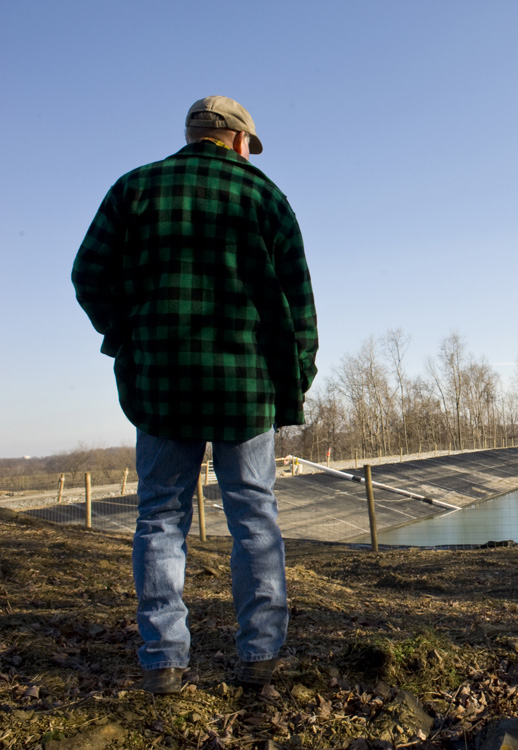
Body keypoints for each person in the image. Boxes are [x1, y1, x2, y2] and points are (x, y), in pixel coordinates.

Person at [72, 95, 318, 695]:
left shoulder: (135, 188)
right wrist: (295, 376)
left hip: (162, 383)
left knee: (159, 518)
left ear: (191, 135)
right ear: (237, 140)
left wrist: (131, 337)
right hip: (245, 386)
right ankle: (260, 655)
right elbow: (297, 303)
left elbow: (89, 275)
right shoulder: (264, 196)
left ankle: (163, 659)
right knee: (254, 516)